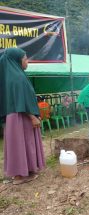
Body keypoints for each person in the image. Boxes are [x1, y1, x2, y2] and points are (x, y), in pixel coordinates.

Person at [0, 48, 45, 185]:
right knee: (23, 143)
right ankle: (21, 176)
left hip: (15, 116)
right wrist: (32, 116)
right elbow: (20, 100)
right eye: (25, 58)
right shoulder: (17, 78)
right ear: (17, 60)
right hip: (21, 116)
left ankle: (25, 171)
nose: (27, 61)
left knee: (21, 143)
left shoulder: (10, 76)